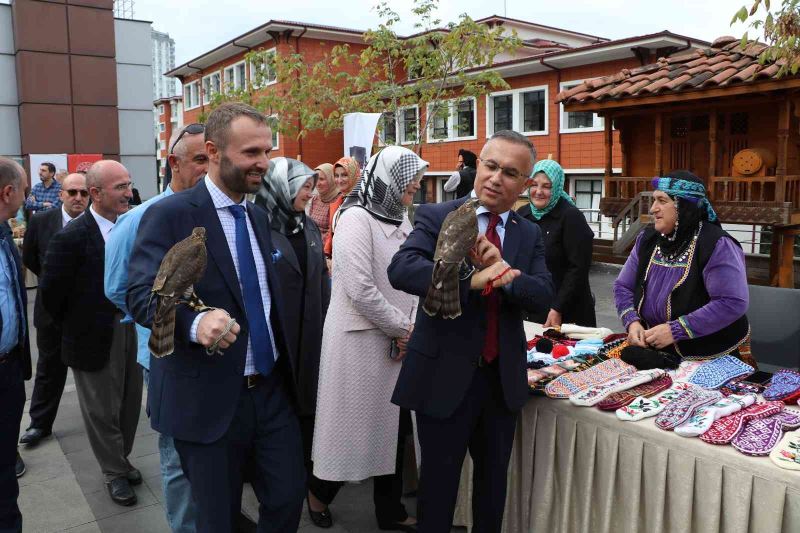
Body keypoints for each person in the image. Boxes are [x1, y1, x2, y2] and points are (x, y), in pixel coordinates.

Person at [127, 103, 305, 533]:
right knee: (218, 520)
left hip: (270, 392)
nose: (263, 162)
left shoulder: (258, 216)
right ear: (213, 151)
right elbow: (138, 294)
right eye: (250, 152)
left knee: (286, 499)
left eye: (266, 150)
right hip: (207, 402)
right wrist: (193, 324)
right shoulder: (170, 215)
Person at [388, 131, 554, 533]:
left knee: (492, 489)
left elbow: (544, 293)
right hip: (443, 377)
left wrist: (505, 273)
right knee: (438, 493)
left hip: (501, 382)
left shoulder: (527, 232)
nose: (496, 178)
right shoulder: (436, 214)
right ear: (478, 165)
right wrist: (468, 278)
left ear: (525, 184)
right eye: (491, 165)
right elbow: (403, 268)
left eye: (510, 172)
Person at [312, 146, 426, 532]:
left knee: (394, 431)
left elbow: (412, 275)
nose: (416, 184)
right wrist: (405, 328)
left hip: (396, 341)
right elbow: (359, 289)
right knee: (352, 431)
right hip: (359, 343)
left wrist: (408, 324)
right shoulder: (355, 217)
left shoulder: (400, 217)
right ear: (389, 179)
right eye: (410, 176)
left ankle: (389, 512)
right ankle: (317, 493)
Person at [104, 123, 208, 532]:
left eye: (212, 158)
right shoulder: (140, 219)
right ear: (174, 163)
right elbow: (117, 289)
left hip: (221, 352)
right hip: (165, 356)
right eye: (199, 159)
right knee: (178, 458)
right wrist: (163, 322)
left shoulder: (222, 213)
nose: (207, 168)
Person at [39, 160, 142, 506]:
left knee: (129, 403)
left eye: (128, 185)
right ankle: (114, 472)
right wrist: (80, 324)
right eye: (120, 187)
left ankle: (121, 459)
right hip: (91, 337)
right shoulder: (70, 237)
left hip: (132, 328)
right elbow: (51, 297)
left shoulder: (132, 225)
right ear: (96, 194)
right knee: (102, 410)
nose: (129, 193)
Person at [253, 158, 337, 528]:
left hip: (311, 341)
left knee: (307, 417)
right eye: (304, 186)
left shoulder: (310, 228)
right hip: (276, 344)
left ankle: (305, 487)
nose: (312, 192)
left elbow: (320, 283)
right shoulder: (257, 229)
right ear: (281, 188)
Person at [614, 170, 750, 360]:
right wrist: (632, 322)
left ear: (684, 206)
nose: (653, 209)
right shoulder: (647, 240)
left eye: (662, 201)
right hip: (654, 349)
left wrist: (676, 330)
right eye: (654, 200)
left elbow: (731, 302)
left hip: (709, 353)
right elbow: (623, 286)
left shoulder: (716, 244)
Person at [19, 173, 89, 447]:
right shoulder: (41, 222)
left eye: (83, 193)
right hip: (51, 313)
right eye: (72, 192)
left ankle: (109, 423)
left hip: (89, 313)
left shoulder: (99, 222)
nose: (78, 198)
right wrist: (54, 287)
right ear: (61, 194)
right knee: (49, 368)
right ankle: (39, 423)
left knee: (98, 370)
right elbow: (31, 258)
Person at [517, 159, 596, 327]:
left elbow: (578, 268)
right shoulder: (522, 215)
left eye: (546, 186)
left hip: (566, 310)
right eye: (534, 184)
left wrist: (558, 307)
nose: (538, 191)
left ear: (558, 187)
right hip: (531, 307)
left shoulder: (570, 217)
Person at [0, 158, 31, 533]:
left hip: (8, 372)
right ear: (9, 192)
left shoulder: (5, 234)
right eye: (23, 191)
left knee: (5, 470)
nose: (26, 197)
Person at [323, 156, 360, 259]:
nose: (339, 180)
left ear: (353, 175)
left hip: (354, 257)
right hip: (337, 257)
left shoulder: (362, 202)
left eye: (344, 175)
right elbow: (332, 233)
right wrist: (327, 255)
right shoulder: (338, 202)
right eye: (336, 175)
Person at [306, 163, 338, 248]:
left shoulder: (338, 201)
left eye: (322, 179)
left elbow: (332, 233)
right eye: (316, 179)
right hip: (313, 245)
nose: (317, 183)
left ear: (331, 179)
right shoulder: (315, 199)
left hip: (327, 250)